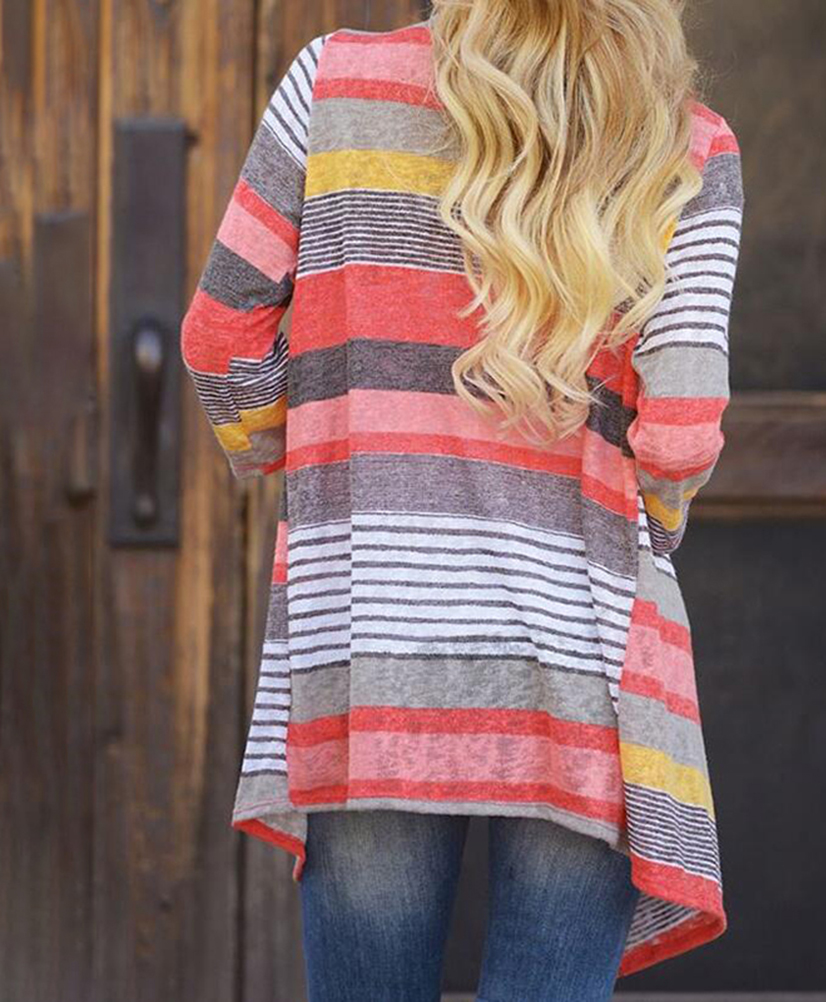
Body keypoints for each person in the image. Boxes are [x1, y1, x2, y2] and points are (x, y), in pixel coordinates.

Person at [179, 2, 743, 999]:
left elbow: (220, 341)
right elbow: (682, 431)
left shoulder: (335, 84)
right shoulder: (684, 140)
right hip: (588, 660)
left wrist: (325, 446)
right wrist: (648, 526)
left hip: (371, 642)